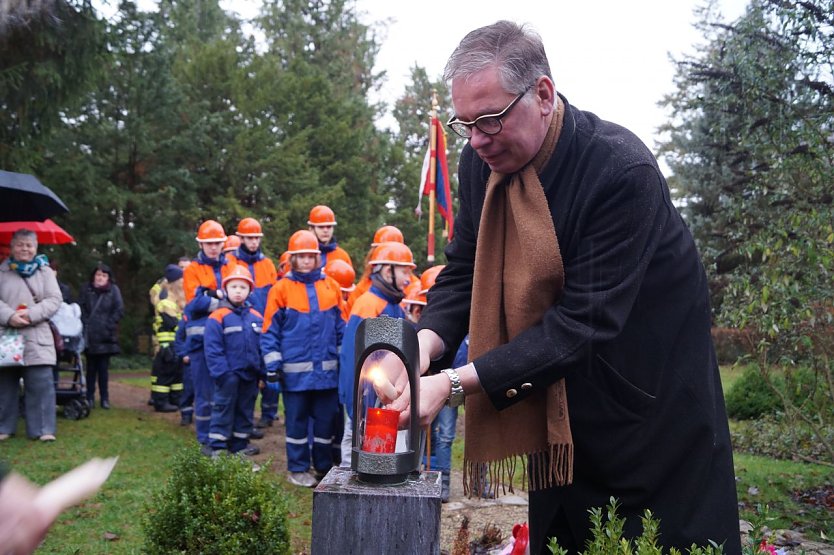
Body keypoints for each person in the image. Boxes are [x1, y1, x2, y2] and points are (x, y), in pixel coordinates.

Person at [391, 21, 741, 554]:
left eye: (490, 119)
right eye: (466, 125)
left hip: (647, 418)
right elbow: (463, 268)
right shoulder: (479, 164)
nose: (479, 140)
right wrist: (422, 344)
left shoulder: (621, 171)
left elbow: (581, 325)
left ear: (544, 94)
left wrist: (453, 384)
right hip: (553, 421)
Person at [261, 230, 344, 487]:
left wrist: (347, 365)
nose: (307, 261)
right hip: (294, 375)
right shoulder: (280, 289)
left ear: (318, 258)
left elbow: (341, 330)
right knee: (296, 424)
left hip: (328, 375)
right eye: (302, 257)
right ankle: (297, 469)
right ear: (293, 259)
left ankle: (322, 467)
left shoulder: (332, 287)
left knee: (325, 424)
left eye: (311, 256)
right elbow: (269, 332)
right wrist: (272, 367)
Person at [337, 241, 414, 467]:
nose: (408, 278)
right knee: (355, 448)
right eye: (404, 271)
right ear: (386, 270)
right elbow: (354, 360)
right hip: (366, 400)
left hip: (384, 398)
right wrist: (358, 406)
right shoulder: (368, 305)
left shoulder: (395, 306)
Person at [0, 229, 62, 441]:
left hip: (37, 335)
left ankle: (43, 429)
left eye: (29, 245)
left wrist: (30, 314)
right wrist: (9, 316)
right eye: (20, 244)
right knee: (5, 384)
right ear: (12, 247)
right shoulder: (2, 271)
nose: (25, 248)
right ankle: (3, 428)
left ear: (36, 248)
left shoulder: (45, 272)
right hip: (7, 334)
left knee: (40, 383)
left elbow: (54, 299)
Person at [182, 220, 235, 451]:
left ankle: (223, 437)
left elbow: (240, 294)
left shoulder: (231, 265)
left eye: (217, 243)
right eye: (209, 243)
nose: (213, 247)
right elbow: (194, 303)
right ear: (201, 244)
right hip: (199, 343)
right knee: (204, 394)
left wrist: (211, 296)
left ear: (223, 244)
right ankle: (205, 439)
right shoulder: (192, 269)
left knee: (226, 392)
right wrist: (223, 299)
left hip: (227, 341)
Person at [203, 266, 262, 459]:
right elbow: (212, 349)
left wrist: (261, 372)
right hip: (227, 375)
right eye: (234, 286)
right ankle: (218, 446)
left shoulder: (256, 317)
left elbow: (261, 347)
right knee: (223, 408)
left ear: (249, 291)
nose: (238, 291)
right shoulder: (217, 317)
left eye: (243, 287)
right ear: (226, 289)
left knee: (245, 410)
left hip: (249, 376)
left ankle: (239, 445)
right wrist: (223, 374)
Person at [226, 217, 279, 431]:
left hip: (264, 326)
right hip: (241, 324)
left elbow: (273, 295)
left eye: (257, 238)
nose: (254, 242)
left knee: (269, 371)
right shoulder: (230, 262)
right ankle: (243, 422)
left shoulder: (267, 264)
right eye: (249, 238)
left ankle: (268, 413)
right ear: (240, 238)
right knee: (247, 374)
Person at [78, 263, 123, 410]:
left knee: (103, 369)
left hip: (106, 336)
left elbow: (119, 309)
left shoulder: (113, 291)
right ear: (93, 276)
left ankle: (105, 398)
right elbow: (80, 308)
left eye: (104, 275)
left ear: (108, 277)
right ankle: (89, 397)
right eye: (98, 275)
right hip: (90, 334)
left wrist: (109, 324)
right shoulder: (86, 289)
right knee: (90, 369)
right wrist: (85, 323)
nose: (100, 278)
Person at [150, 264, 185, 413]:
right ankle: (160, 402)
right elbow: (172, 324)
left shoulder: (173, 299)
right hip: (167, 345)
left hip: (174, 344)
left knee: (176, 375)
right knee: (164, 375)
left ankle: (175, 399)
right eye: (181, 279)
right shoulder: (165, 301)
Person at [347, 225, 404, 312]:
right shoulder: (362, 288)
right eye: (381, 251)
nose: (386, 256)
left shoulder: (412, 287)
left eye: (392, 252)